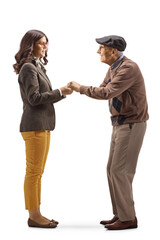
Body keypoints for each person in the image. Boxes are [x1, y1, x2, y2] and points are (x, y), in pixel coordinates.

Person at [68, 35, 149, 230]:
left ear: (113, 51)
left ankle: (128, 218)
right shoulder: (114, 68)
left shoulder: (129, 68)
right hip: (119, 124)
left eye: (101, 48)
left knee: (120, 171)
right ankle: (120, 214)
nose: (98, 52)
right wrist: (87, 89)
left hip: (131, 124)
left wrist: (80, 88)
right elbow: (103, 89)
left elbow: (106, 93)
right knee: (111, 169)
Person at [13, 29, 73, 228]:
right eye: (41, 43)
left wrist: (59, 92)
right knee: (33, 172)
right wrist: (60, 92)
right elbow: (34, 99)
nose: (45, 46)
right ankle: (34, 215)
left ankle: (37, 213)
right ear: (30, 46)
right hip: (34, 126)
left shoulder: (38, 67)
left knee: (38, 172)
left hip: (43, 125)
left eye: (46, 42)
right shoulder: (28, 68)